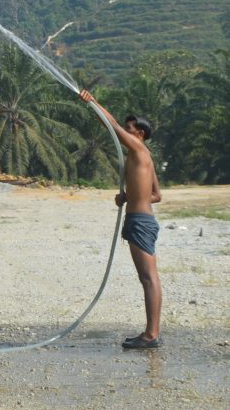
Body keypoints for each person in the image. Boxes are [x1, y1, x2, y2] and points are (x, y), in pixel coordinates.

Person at [79, 90, 162, 349]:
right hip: (141, 218)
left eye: (130, 128)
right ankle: (152, 332)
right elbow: (157, 195)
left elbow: (112, 126)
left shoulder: (137, 148)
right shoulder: (143, 155)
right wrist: (128, 196)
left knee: (148, 278)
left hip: (140, 221)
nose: (124, 131)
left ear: (139, 134)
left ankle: (151, 335)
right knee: (149, 277)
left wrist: (92, 102)